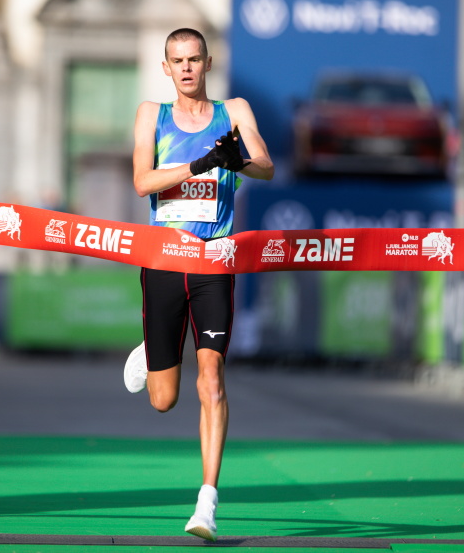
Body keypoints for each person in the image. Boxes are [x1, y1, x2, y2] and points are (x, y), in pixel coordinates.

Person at [124, 27, 274, 542]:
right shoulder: (153, 114)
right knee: (163, 399)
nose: (186, 68)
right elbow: (143, 181)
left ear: (208, 63)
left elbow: (267, 168)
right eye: (176, 61)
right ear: (166, 69)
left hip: (215, 261)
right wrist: (198, 164)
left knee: (211, 381)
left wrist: (238, 161)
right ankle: (153, 349)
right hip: (164, 260)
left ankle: (207, 502)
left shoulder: (235, 110)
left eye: (194, 59)